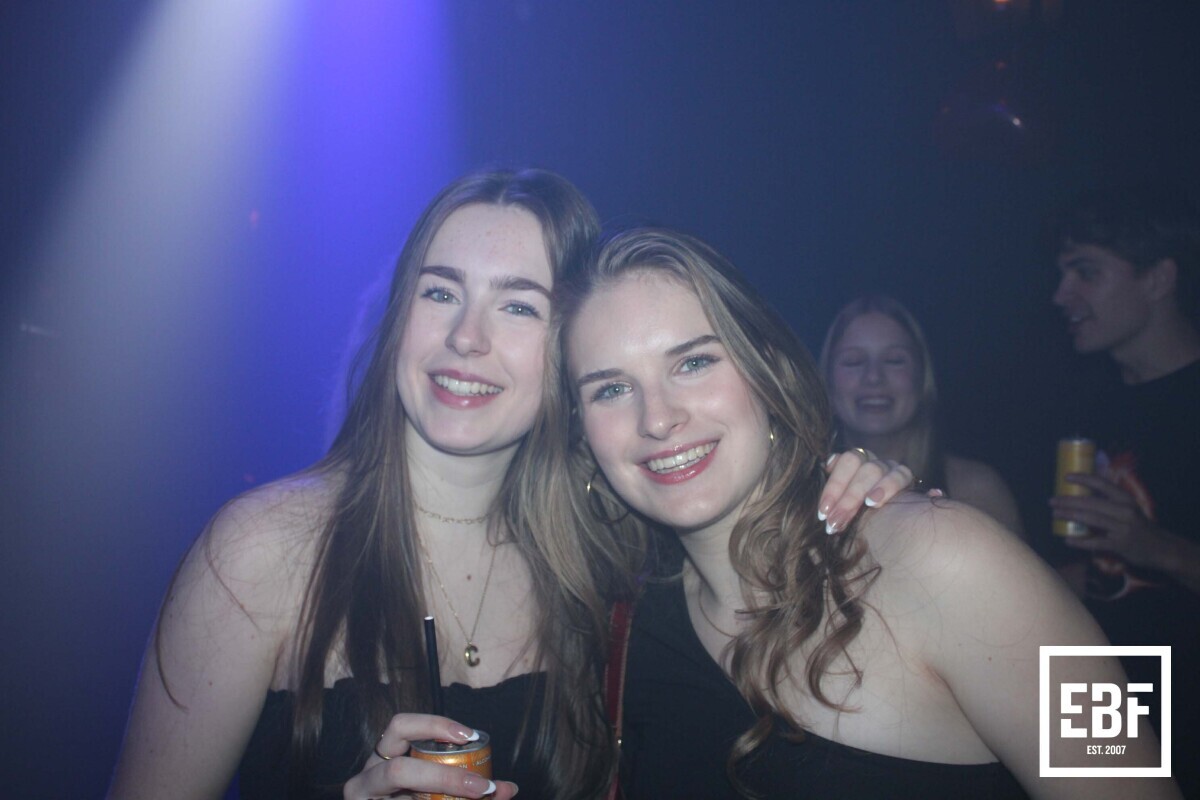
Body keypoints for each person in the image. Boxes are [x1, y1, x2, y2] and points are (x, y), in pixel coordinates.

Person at [107, 168, 909, 800]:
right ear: (399, 318)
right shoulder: (261, 553)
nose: (467, 337)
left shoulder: (616, 565)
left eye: (518, 307)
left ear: (571, 354)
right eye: (441, 292)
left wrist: (857, 488)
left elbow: (1039, 719)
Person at [537, 227, 1179, 799]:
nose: (656, 418)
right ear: (582, 433)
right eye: (611, 388)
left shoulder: (954, 559)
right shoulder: (628, 626)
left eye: (695, 362)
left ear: (768, 372)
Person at [1046, 182, 1200, 797]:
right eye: (1061, 274)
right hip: (1105, 697)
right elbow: (1098, 573)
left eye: (1086, 273)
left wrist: (1154, 547)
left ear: (1158, 278)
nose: (1061, 295)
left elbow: (1147, 550)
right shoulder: (1090, 402)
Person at [819, 295, 1025, 536]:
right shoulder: (801, 488)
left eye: (894, 360)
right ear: (827, 380)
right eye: (854, 362)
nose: (873, 377)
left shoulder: (977, 489)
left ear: (922, 378)